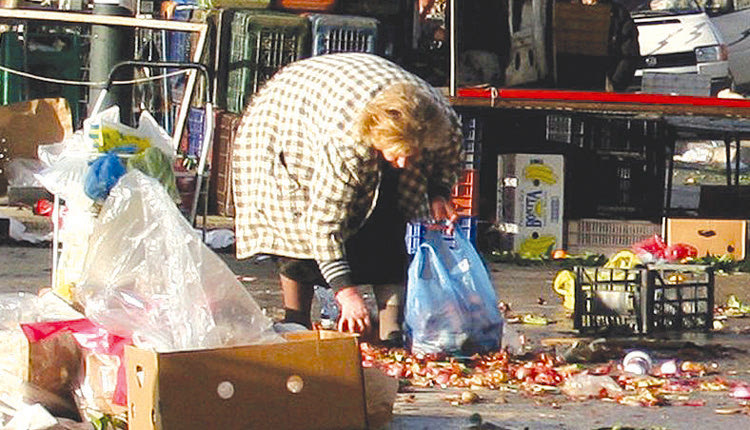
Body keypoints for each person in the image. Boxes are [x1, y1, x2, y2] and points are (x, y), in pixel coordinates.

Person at [232, 53, 463, 344]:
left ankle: (391, 328)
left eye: (412, 154)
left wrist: (439, 191)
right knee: (296, 229)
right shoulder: (345, 143)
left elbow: (448, 157)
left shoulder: (440, 123)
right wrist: (347, 293)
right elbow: (323, 226)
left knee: (388, 220)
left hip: (359, 93)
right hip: (287, 120)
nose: (404, 163)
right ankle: (297, 320)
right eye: (397, 153)